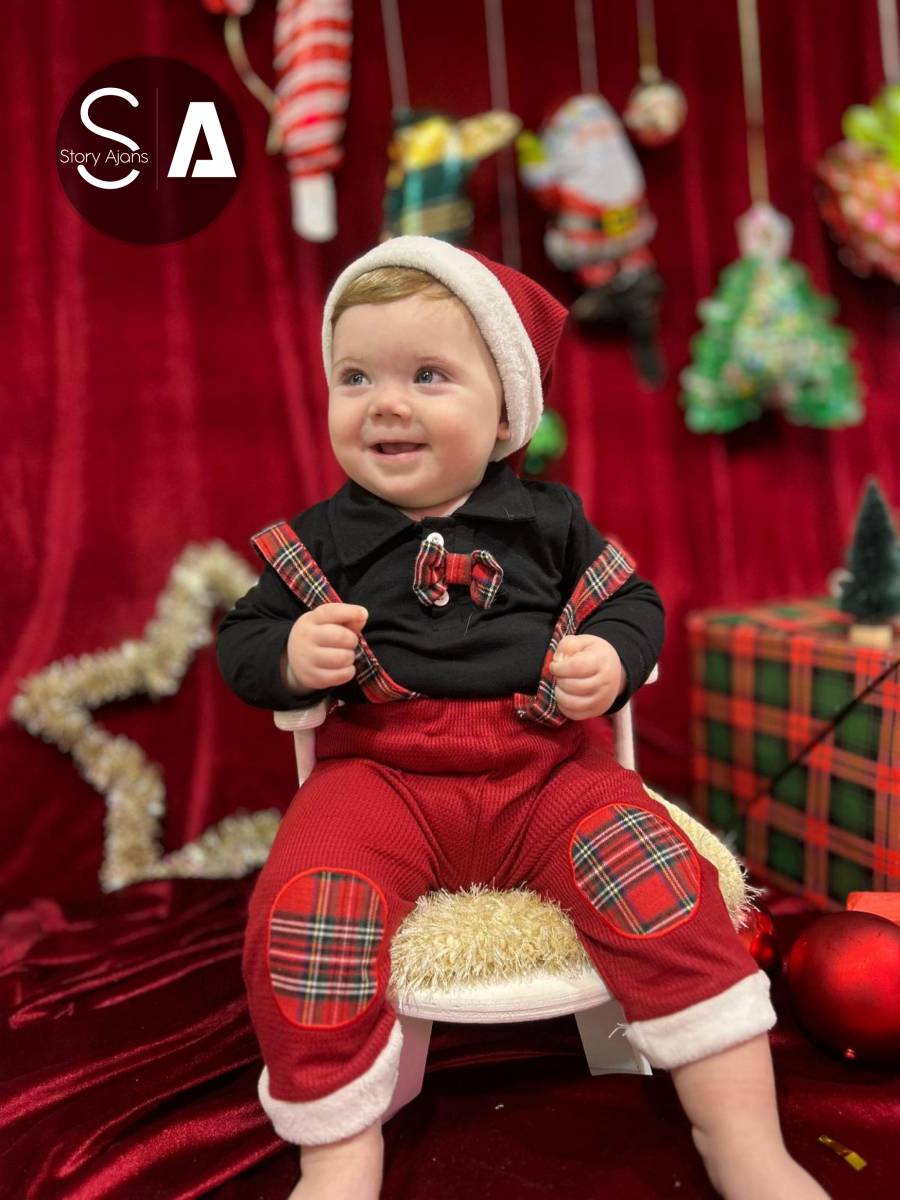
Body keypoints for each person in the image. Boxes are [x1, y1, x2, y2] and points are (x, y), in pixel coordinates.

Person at [216, 235, 828, 1200]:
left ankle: (745, 1141)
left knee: (659, 884)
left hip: (548, 770)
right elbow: (241, 641)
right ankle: (337, 1157)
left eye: (427, 375)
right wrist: (290, 656)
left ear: (506, 408)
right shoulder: (323, 539)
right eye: (355, 375)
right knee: (308, 911)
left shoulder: (547, 521)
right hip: (379, 778)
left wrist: (610, 657)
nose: (385, 403)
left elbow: (634, 603)